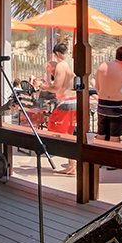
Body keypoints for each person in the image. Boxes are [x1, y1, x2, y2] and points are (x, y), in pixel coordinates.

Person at [40, 42, 78, 174]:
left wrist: (45, 87)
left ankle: (72, 163)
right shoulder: (71, 63)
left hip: (64, 102)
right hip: (72, 100)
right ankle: (72, 163)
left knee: (58, 132)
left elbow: (57, 87)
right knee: (68, 133)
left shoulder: (61, 66)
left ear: (57, 54)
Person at [95, 46, 122, 142]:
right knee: (114, 136)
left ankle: (96, 155)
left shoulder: (103, 66)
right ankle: (111, 157)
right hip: (117, 105)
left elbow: (97, 86)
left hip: (102, 103)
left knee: (101, 133)